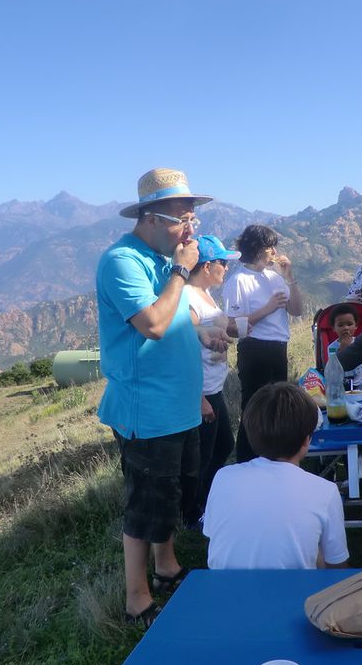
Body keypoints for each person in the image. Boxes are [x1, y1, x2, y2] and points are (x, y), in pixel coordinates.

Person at [96, 167, 228, 627]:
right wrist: (180, 270)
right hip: (146, 409)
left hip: (178, 404)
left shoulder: (162, 255)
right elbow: (151, 324)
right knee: (146, 502)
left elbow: (170, 320)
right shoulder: (123, 262)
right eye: (181, 217)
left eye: (192, 217)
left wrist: (198, 334)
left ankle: (167, 565)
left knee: (172, 492)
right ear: (149, 218)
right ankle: (137, 599)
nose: (190, 227)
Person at [203, 382, 350, 569]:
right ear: (307, 440)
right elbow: (337, 566)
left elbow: (213, 536)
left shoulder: (223, 477)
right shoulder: (326, 491)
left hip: (223, 593)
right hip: (294, 595)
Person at [224, 224, 304, 462]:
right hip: (254, 348)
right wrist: (267, 308)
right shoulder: (238, 280)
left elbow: (297, 310)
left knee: (277, 408)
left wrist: (290, 278)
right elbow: (232, 324)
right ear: (258, 248)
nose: (274, 251)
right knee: (254, 408)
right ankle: (247, 462)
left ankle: (275, 459)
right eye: (271, 246)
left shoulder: (275, 278)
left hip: (279, 347)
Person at [183, 235, 240, 528]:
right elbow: (188, 335)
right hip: (203, 389)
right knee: (203, 456)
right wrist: (199, 397)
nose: (225, 268)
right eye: (222, 262)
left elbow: (209, 328)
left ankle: (204, 502)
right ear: (206, 266)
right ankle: (193, 515)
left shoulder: (206, 293)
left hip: (214, 386)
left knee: (222, 446)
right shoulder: (189, 297)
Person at [325, 303, 362, 390]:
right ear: (333, 328)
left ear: (356, 326)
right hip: (341, 386)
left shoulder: (360, 342)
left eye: (349, 324)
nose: (345, 328)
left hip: (360, 383)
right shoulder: (332, 347)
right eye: (340, 325)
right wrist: (343, 348)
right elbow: (334, 368)